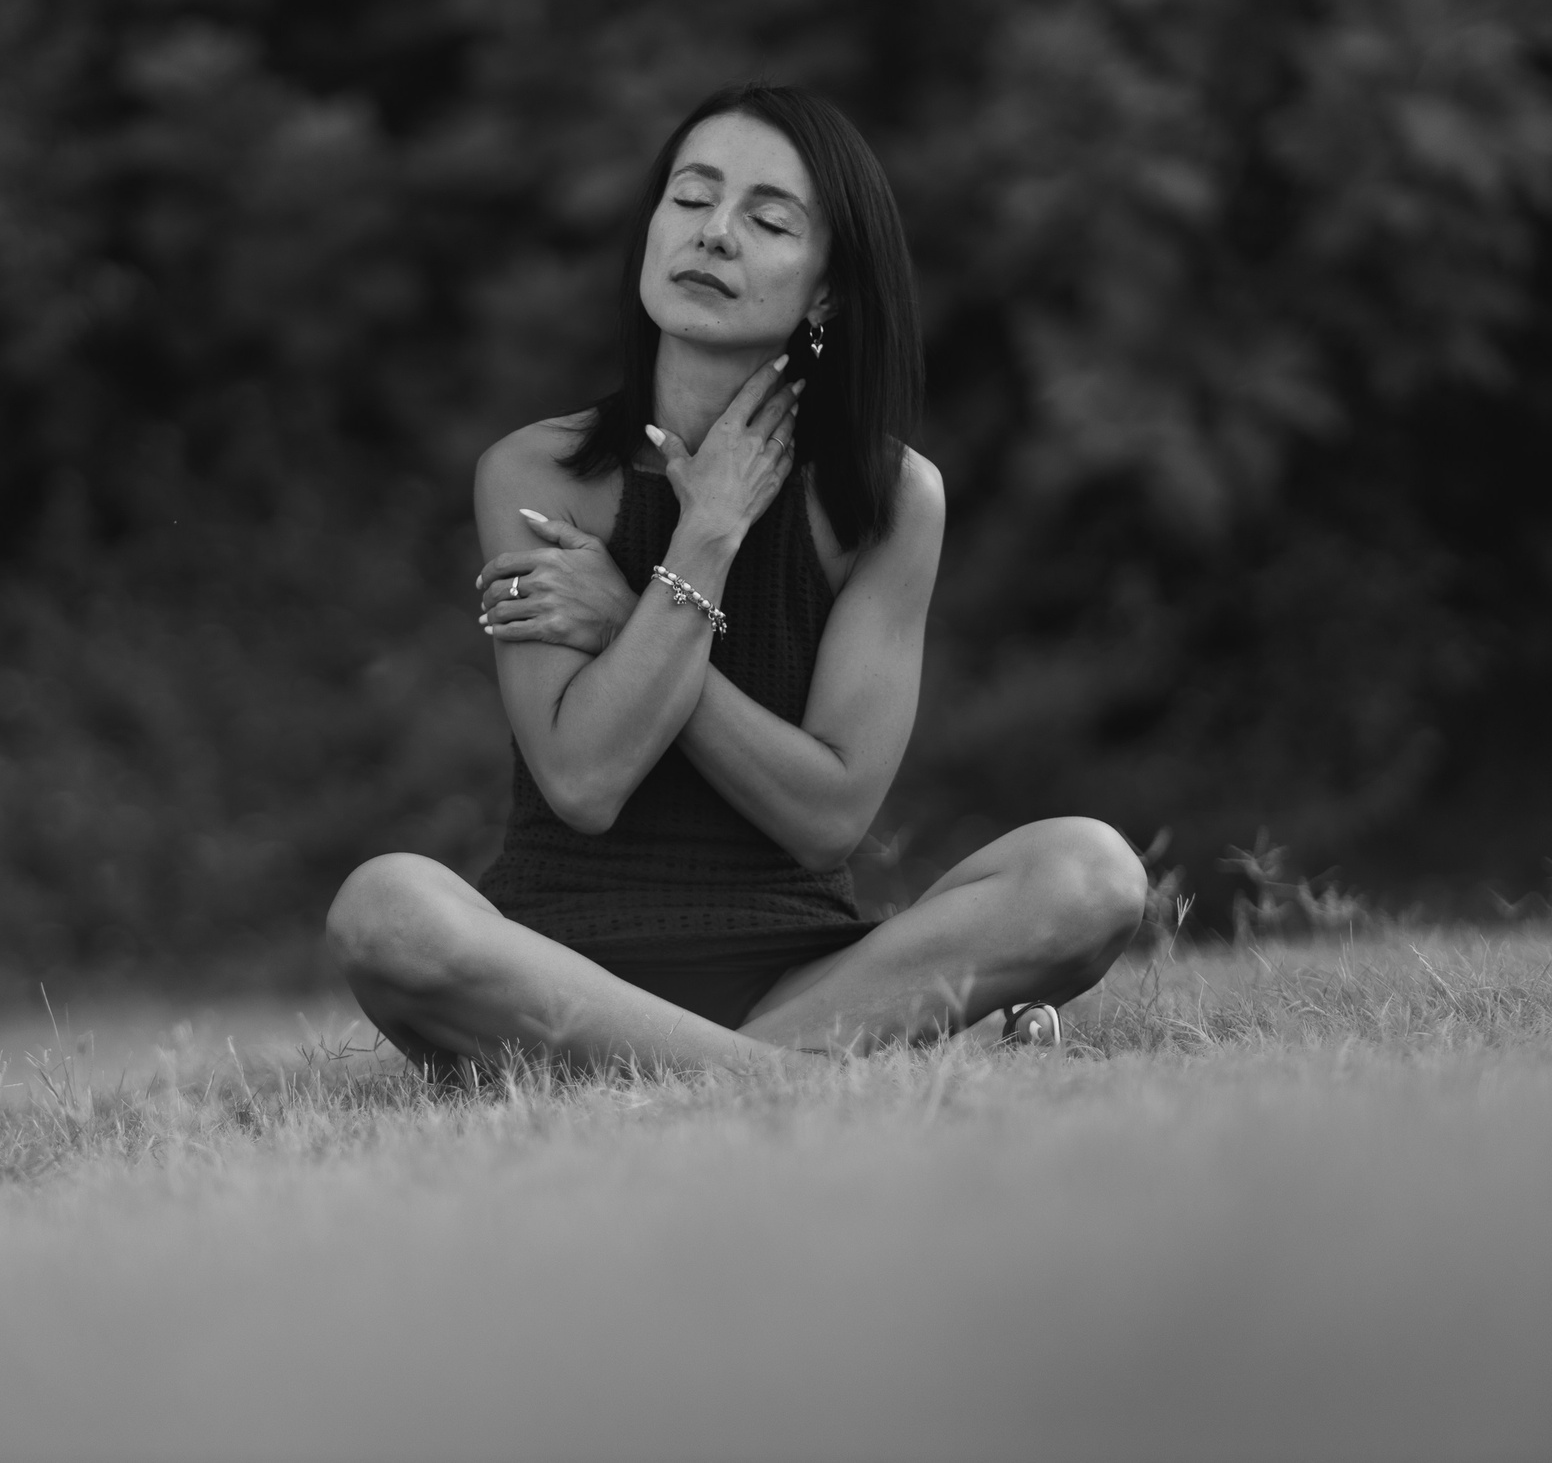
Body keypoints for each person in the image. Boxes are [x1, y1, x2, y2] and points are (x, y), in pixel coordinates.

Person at [327, 83, 1146, 1074]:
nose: (713, 233)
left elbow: (828, 818)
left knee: (1090, 872)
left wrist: (635, 610)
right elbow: (585, 782)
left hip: (801, 975)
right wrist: (706, 535)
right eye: (690, 197)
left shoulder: (889, 501)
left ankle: (693, 1074)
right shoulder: (534, 475)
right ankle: (783, 1079)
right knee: (385, 909)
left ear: (827, 292)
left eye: (768, 220)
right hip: (555, 973)